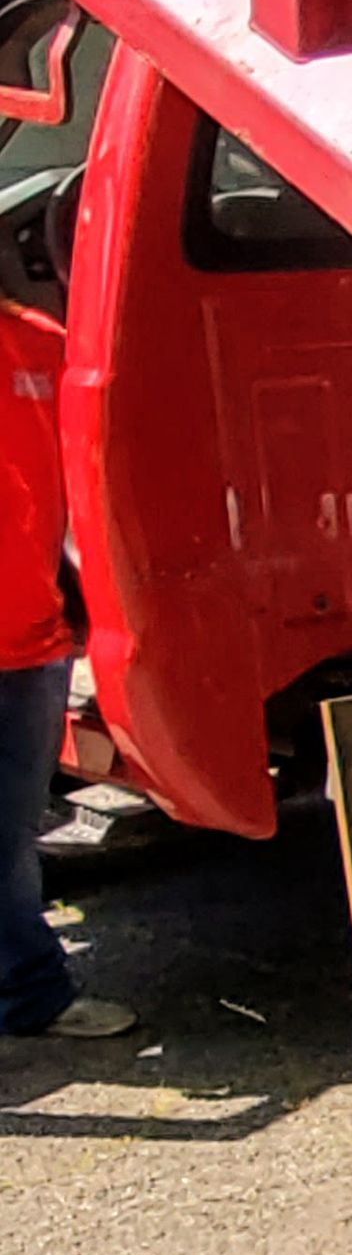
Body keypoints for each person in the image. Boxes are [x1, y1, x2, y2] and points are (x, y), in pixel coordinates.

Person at [1, 221, 131, 1043]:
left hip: (30, 645)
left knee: (11, 839)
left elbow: (93, 471)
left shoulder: (41, 346)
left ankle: (26, 996)